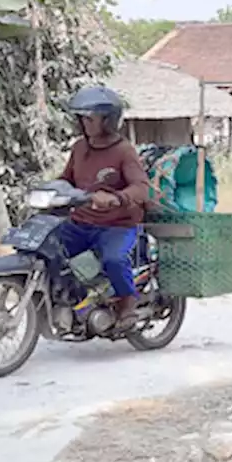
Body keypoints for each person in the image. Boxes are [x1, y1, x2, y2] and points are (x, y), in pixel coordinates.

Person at [55, 84, 151, 326]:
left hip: (117, 225)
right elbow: (66, 179)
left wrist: (117, 198)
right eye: (82, 117)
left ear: (108, 120)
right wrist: (49, 188)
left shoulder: (124, 151)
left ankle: (127, 301)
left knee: (114, 260)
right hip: (81, 221)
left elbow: (141, 187)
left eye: (90, 117)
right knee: (49, 247)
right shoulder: (79, 147)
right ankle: (68, 298)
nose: (84, 122)